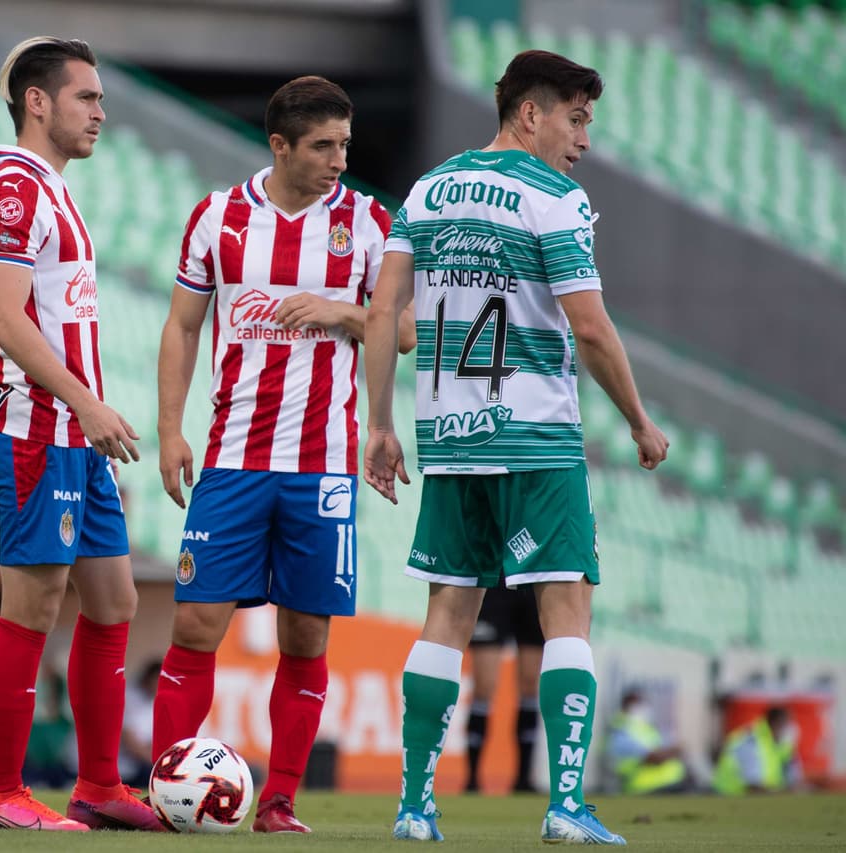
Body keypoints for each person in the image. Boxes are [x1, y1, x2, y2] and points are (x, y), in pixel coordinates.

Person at [362, 49, 669, 844]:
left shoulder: (427, 190)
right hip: (535, 436)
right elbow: (591, 326)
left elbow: (381, 309)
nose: (585, 141)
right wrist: (638, 419)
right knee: (566, 611)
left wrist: (381, 425)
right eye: (576, 118)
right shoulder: (556, 197)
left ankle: (415, 806)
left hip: (450, 443)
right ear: (529, 114)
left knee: (446, 617)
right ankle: (565, 802)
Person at [151, 76, 414, 834]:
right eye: (324, 146)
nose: (339, 159)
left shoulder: (367, 222)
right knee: (197, 623)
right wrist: (171, 429)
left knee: (306, 635)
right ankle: (172, 790)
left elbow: (402, 332)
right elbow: (181, 327)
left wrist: (342, 312)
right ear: (280, 146)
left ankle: (280, 802)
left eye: (345, 145)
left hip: (324, 465)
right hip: (232, 459)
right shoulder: (218, 217)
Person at [0, 36, 159, 832]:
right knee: (33, 607)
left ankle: (99, 786)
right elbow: (3, 317)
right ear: (38, 101)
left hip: (74, 437)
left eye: (103, 99)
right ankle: (0, 793)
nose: (101, 113)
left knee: (114, 603)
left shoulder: (53, 188)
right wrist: (85, 401)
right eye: (87, 97)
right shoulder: (14, 188)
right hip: (37, 429)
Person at [464, 579, 544, 793]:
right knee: (483, 686)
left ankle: (523, 779)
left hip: (531, 579)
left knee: (530, 684)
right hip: (494, 582)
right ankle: (472, 779)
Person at [606, 688, 688, 795]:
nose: (641, 707)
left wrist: (667, 752)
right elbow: (654, 758)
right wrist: (668, 753)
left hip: (673, 784)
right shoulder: (620, 730)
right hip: (644, 789)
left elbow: (680, 749)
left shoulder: (649, 728)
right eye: (636, 703)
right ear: (625, 706)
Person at [713, 706, 800, 795]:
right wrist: (784, 792)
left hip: (762, 798)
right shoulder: (750, 742)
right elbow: (753, 787)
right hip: (728, 796)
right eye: (786, 724)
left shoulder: (784, 745)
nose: (791, 729)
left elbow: (794, 780)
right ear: (775, 724)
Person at [119, 659, 158, 788]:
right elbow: (131, 744)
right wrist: (161, 766)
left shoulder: (152, 702)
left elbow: (151, 743)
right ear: (148, 678)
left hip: (133, 768)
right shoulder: (128, 696)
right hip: (120, 769)